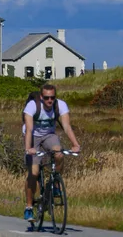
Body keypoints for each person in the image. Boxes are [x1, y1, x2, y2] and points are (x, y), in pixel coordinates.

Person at [23, 83, 80, 221]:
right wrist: (28, 148)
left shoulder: (60, 105)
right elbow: (29, 129)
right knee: (34, 172)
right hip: (33, 136)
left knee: (59, 154)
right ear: (41, 97)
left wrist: (75, 144)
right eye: (47, 98)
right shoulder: (32, 106)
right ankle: (29, 207)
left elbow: (66, 126)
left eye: (52, 98)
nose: (50, 101)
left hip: (49, 135)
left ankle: (54, 184)